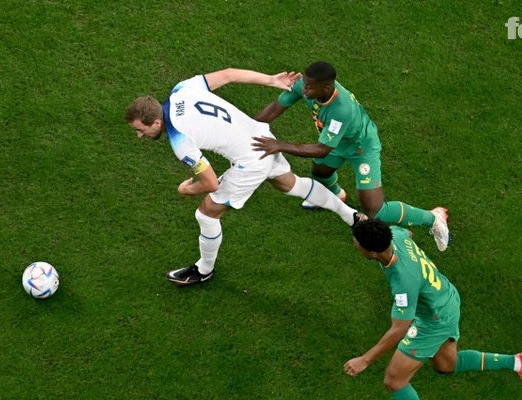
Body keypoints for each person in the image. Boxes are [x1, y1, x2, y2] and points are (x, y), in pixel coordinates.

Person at [126, 68, 365, 286]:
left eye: (141, 130)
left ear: (156, 121)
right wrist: (271, 80)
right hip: (260, 136)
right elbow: (229, 74)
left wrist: (187, 189)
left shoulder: (180, 139)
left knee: (207, 213)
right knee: (291, 184)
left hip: (251, 161)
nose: (139, 136)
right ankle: (351, 216)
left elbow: (209, 183)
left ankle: (203, 270)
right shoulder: (182, 89)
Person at [344, 219, 522, 400]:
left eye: (357, 243)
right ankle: (517, 363)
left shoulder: (402, 279)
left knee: (394, 380)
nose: (354, 244)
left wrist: (365, 359)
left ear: (372, 253)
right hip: (445, 298)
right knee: (447, 365)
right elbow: (409, 232)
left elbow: (399, 329)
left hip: (433, 320)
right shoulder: (398, 236)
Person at [251, 61, 450, 252]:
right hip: (336, 142)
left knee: (374, 211)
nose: (304, 90)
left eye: (310, 87)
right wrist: (247, 127)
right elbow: (276, 107)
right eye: (305, 84)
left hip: (361, 148)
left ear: (327, 87)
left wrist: (279, 145)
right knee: (320, 171)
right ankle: (336, 195)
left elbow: (322, 149)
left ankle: (433, 218)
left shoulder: (341, 109)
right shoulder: (306, 85)